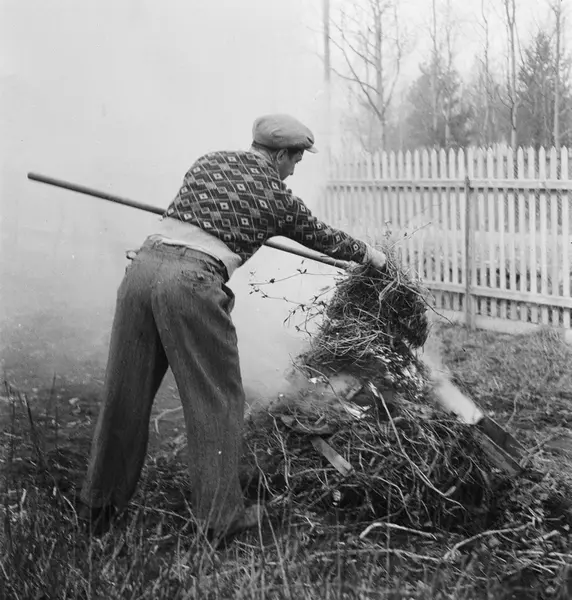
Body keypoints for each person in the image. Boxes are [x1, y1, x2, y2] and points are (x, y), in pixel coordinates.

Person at [78, 114, 387, 540]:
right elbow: (323, 237)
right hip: (190, 284)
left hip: (143, 270)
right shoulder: (278, 198)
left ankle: (98, 507)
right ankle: (221, 520)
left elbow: (193, 216)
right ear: (280, 155)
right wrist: (370, 255)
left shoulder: (208, 162)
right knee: (217, 399)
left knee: (124, 393)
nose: (294, 170)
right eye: (295, 160)